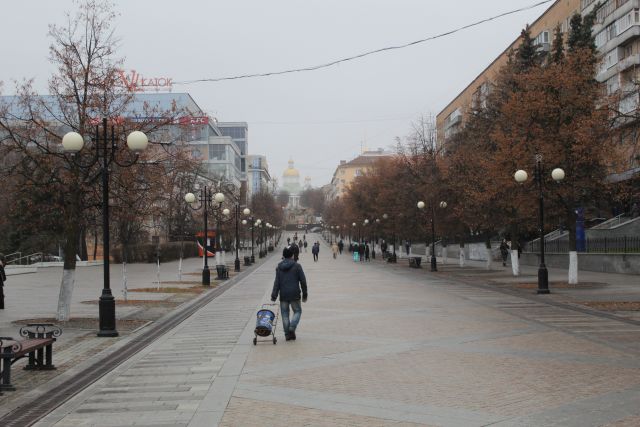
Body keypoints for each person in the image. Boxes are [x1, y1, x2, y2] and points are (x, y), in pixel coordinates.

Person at [271, 247, 307, 341]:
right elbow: (303, 281)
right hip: (295, 293)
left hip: (283, 294)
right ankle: (292, 328)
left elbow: (277, 282)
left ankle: (287, 334)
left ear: (283, 256)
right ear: (292, 255)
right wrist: (305, 293)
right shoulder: (297, 266)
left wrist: (274, 295)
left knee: (285, 314)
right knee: (298, 311)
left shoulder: (279, 267)